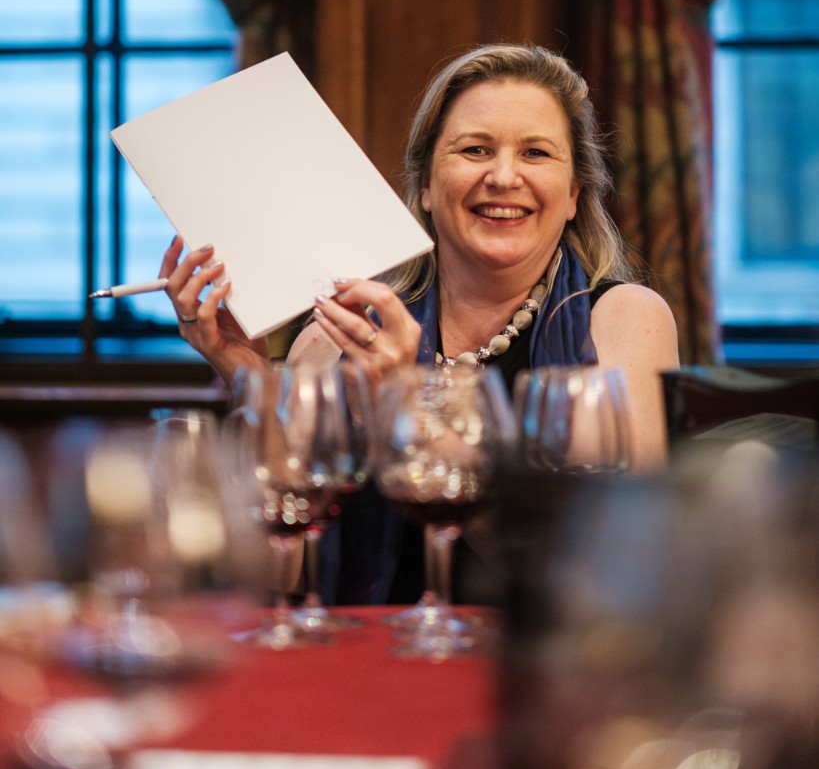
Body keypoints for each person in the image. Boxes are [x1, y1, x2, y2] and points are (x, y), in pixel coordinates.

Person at [160, 43, 679, 597]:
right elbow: (278, 579)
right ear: (426, 186)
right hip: (370, 648)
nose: (504, 176)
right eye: (475, 150)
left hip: (536, 649)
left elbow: (615, 572)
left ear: (573, 194)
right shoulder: (336, 337)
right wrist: (251, 380)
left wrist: (403, 407)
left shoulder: (626, 320)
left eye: (535, 153)